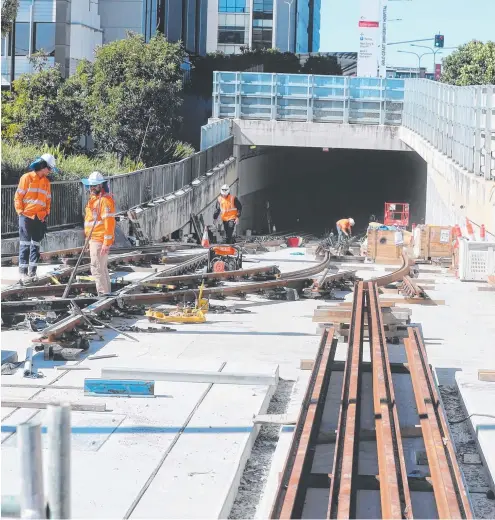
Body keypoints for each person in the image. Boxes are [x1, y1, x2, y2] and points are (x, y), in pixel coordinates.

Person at [14, 153, 58, 282]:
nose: (50, 171)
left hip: (40, 217)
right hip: (26, 216)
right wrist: (20, 212)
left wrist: (46, 213)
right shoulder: (26, 178)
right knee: (25, 244)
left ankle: (32, 272)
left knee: (36, 245)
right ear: (43, 166)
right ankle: (23, 273)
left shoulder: (46, 182)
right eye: (49, 168)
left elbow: (48, 200)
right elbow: (18, 197)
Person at [81, 171, 116, 296]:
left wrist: (106, 243)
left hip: (99, 239)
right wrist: (88, 239)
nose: (91, 188)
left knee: (97, 268)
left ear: (101, 185)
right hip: (94, 239)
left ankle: (103, 295)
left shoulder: (104, 201)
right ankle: (106, 294)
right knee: (102, 268)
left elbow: (109, 223)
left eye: (94, 186)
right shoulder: (94, 200)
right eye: (90, 186)